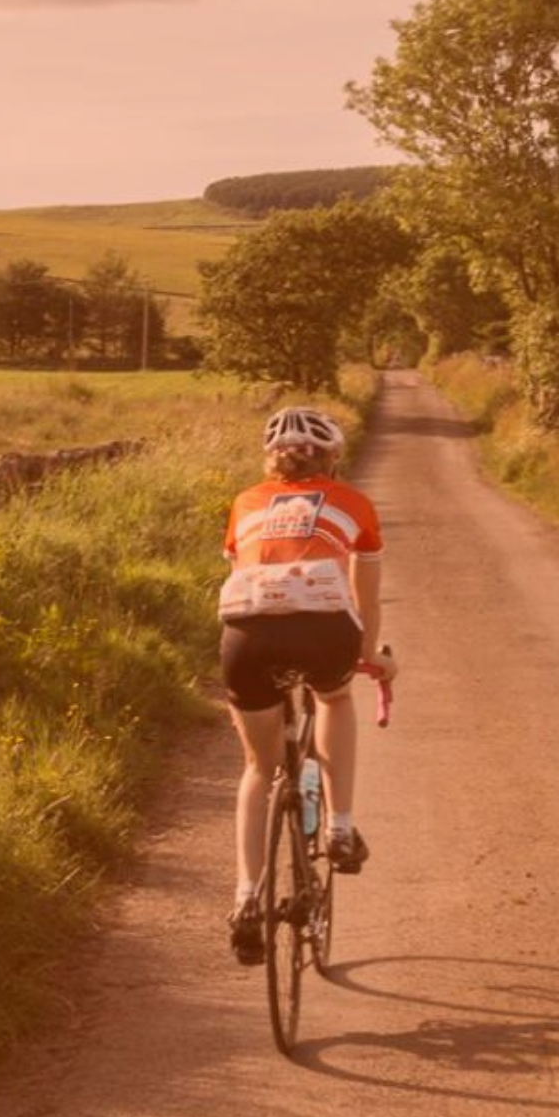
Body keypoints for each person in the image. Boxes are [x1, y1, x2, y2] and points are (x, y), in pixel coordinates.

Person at [219, 405, 393, 965]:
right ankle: (339, 827)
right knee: (334, 695)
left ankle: (247, 898)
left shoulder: (245, 502)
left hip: (247, 637)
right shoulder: (355, 504)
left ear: (271, 458)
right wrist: (369, 655)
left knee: (256, 767)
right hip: (323, 629)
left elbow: (242, 575)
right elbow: (365, 593)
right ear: (333, 456)